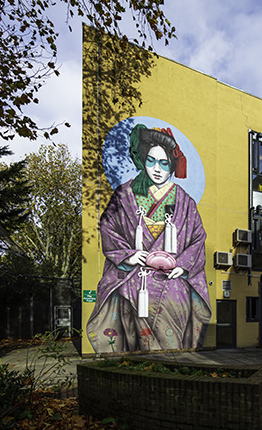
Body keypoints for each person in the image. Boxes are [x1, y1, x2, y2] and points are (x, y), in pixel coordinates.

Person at [87, 124, 211, 352]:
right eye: (151, 161)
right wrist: (129, 256)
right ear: (143, 159)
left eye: (164, 164)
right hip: (135, 276)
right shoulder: (124, 194)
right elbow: (108, 227)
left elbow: (197, 239)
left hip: (172, 280)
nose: (157, 169)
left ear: (172, 166)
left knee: (174, 311)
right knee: (126, 304)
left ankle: (171, 366)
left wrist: (183, 267)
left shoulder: (185, 202)